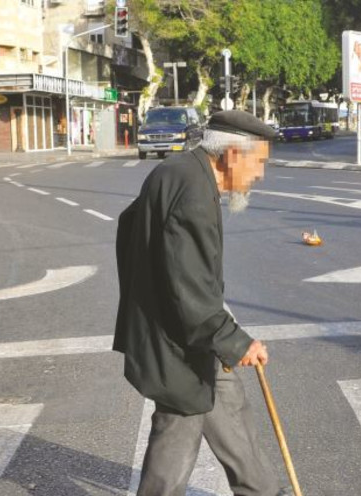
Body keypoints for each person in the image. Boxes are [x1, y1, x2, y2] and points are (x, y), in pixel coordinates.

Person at [114, 110, 286, 496]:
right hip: (179, 338)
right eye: (258, 163)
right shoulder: (193, 191)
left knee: (230, 408)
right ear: (231, 156)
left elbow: (132, 231)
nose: (259, 175)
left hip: (194, 331)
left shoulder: (178, 171)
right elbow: (188, 285)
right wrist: (238, 342)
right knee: (180, 423)